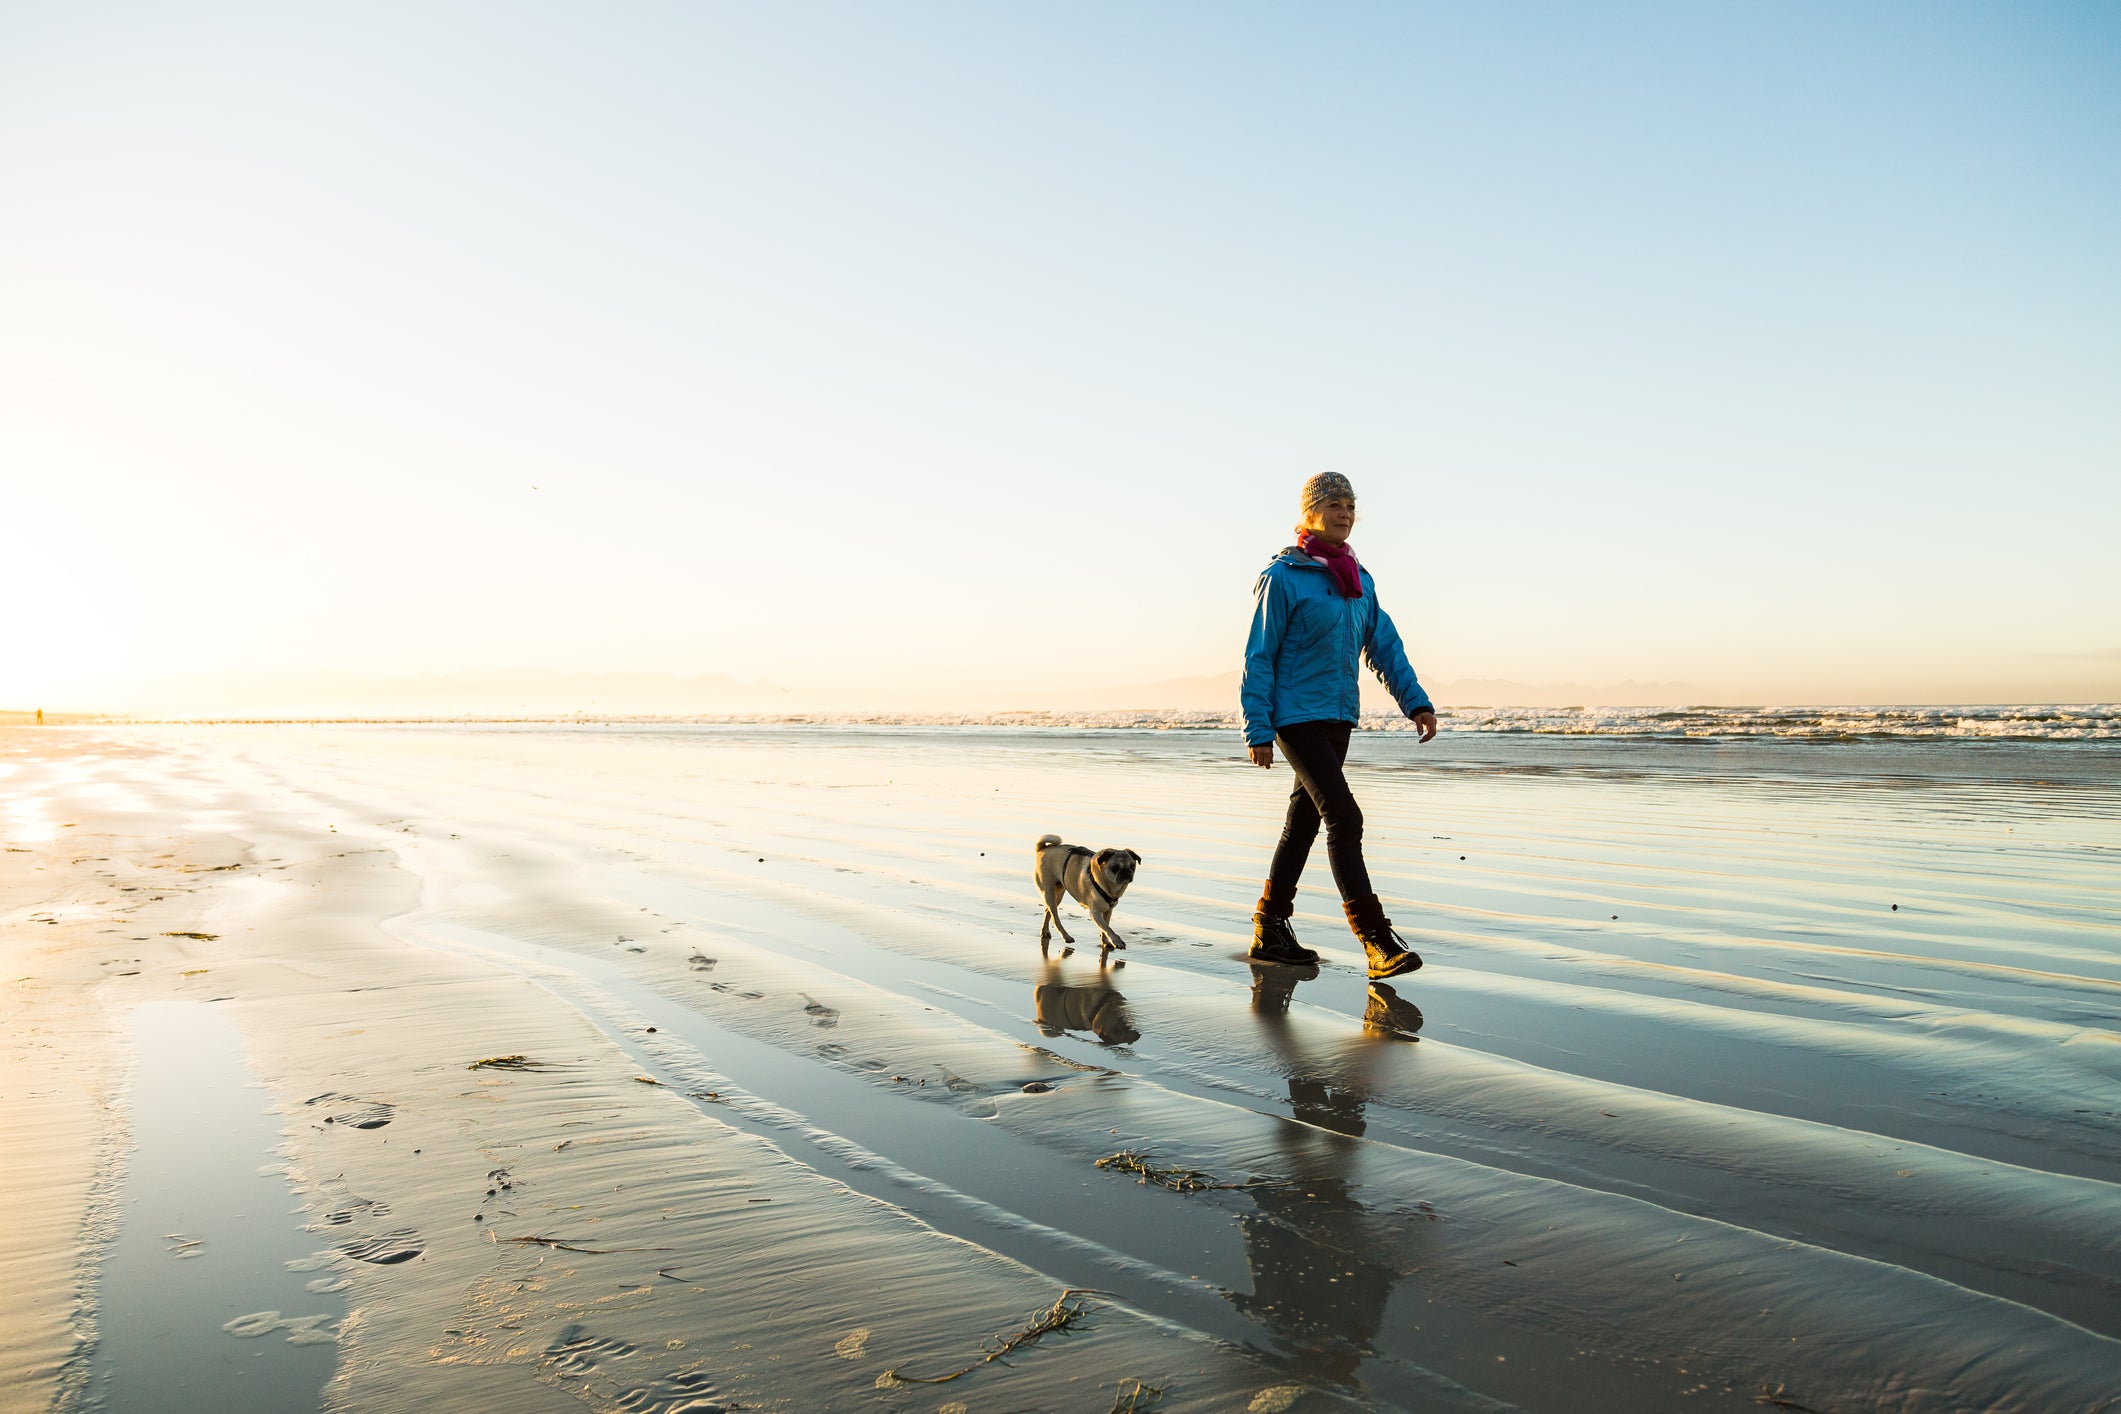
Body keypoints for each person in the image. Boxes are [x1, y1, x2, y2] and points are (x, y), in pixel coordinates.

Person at [1240, 472, 1436, 977]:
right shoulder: (1283, 576)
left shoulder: (1359, 579)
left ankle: (1270, 928)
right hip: (1293, 717)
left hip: (1337, 716)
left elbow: (1384, 646)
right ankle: (1376, 940)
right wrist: (1258, 727)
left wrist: (1415, 702)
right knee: (1344, 818)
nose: (1345, 513)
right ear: (1309, 513)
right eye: (1333, 503)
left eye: (1351, 505)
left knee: (1303, 823)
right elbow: (1259, 655)